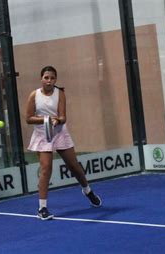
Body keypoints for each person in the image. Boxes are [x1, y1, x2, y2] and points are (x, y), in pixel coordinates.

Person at [25, 66, 102, 220]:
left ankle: (87, 190)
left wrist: (56, 120)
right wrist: (46, 119)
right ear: (41, 79)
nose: (49, 81)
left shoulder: (60, 94)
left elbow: (63, 117)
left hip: (60, 133)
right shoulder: (34, 95)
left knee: (75, 167)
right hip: (42, 134)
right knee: (46, 168)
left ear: (55, 80)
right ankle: (42, 208)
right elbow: (28, 118)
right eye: (46, 77)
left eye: (52, 78)